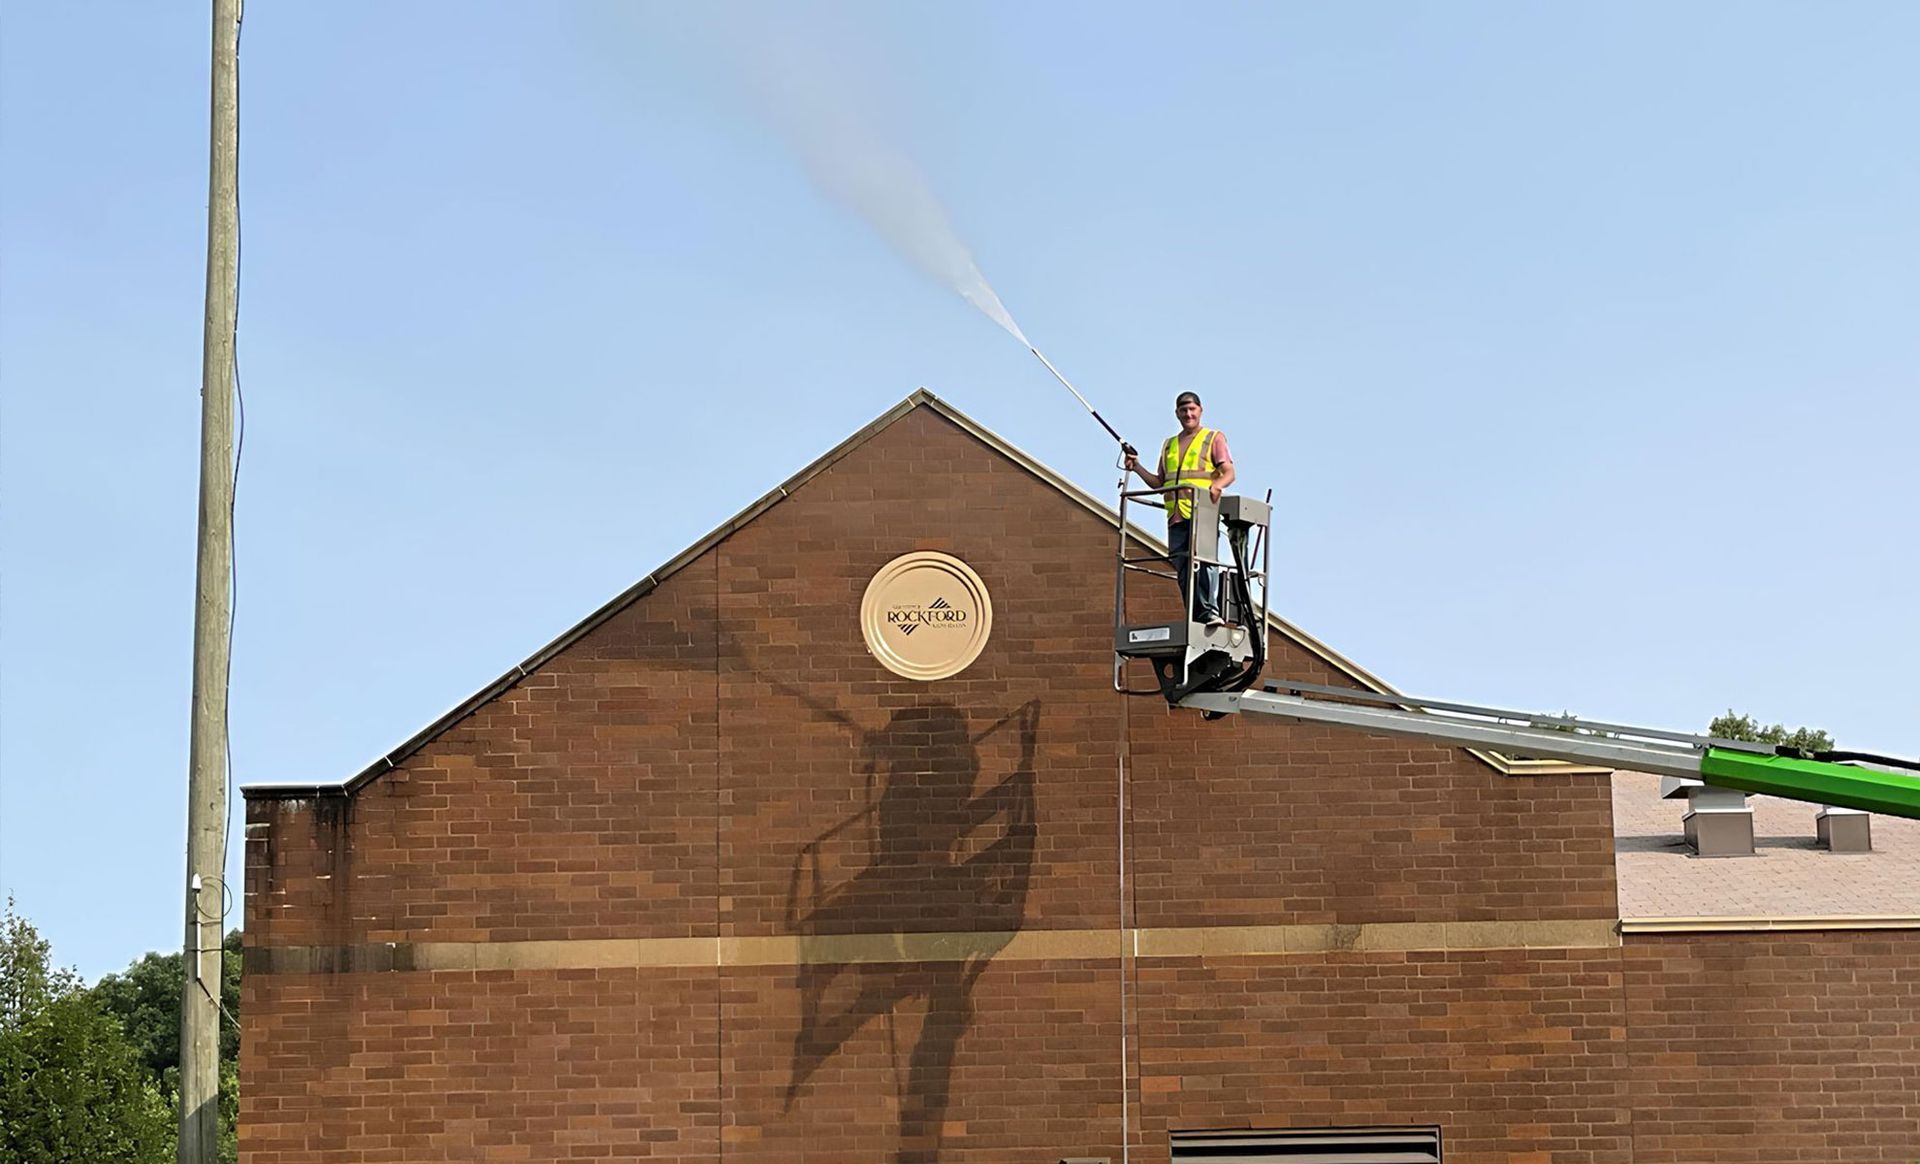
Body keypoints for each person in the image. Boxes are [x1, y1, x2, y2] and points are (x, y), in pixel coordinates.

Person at [1124, 390, 1236, 627]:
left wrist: (1216, 486)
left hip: (1201, 512)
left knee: (1204, 562)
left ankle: (1209, 612)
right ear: (1177, 413)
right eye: (1183, 410)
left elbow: (1229, 472)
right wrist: (1137, 467)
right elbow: (1159, 483)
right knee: (1183, 568)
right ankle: (1195, 615)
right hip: (1176, 515)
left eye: (1192, 409)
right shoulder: (1170, 445)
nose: (1188, 414)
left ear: (1200, 410)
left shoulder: (1213, 438)